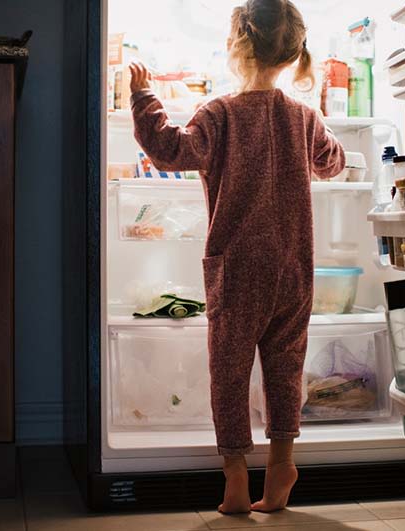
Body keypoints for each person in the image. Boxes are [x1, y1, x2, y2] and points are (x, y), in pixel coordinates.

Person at [128, 0, 345, 514]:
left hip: (237, 269)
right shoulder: (303, 116)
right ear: (292, 56)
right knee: (285, 367)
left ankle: (234, 481)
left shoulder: (220, 114)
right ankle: (282, 464)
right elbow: (332, 162)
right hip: (294, 267)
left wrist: (144, 96)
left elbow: (169, 151)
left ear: (237, 47)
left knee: (229, 371)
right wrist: (323, 127)